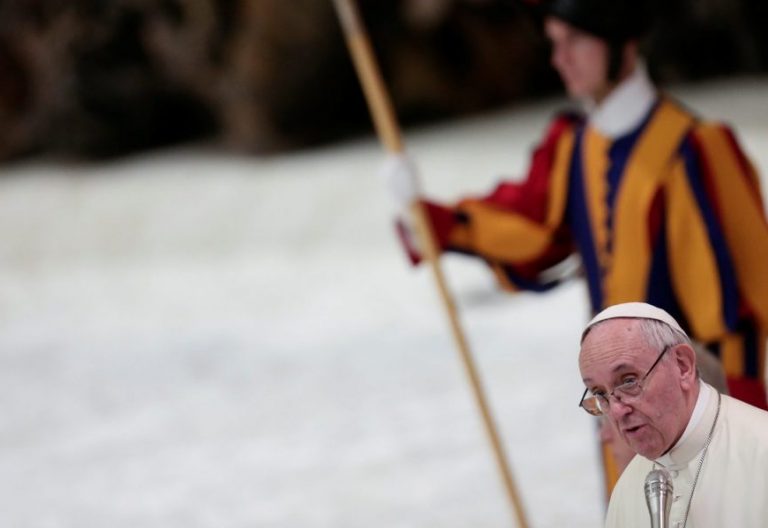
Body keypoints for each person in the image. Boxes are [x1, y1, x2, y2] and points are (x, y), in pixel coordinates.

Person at [382, 0, 768, 475]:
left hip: (700, 422)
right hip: (618, 416)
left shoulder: (695, 151)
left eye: (575, 41)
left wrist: (747, 442)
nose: (559, 57)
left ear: (621, 41)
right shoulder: (575, 147)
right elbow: (529, 229)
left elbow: (743, 311)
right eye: (554, 42)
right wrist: (428, 218)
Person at [578, 301, 768, 527]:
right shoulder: (627, 490)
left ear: (682, 365)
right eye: (599, 393)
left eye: (629, 381)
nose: (617, 411)